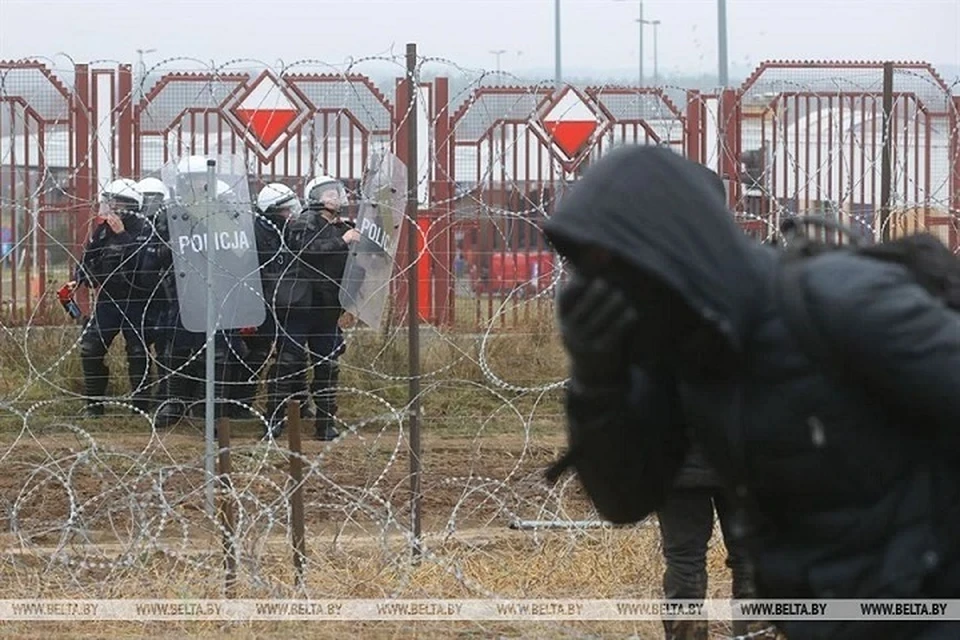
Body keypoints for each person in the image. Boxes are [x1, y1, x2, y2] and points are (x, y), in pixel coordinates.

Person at [542, 144, 960, 640]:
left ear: (671, 248)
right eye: (585, 271)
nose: (599, 289)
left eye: (612, 266)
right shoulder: (676, 352)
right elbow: (624, 499)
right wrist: (598, 380)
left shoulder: (837, 300)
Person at [269, 174, 359, 441]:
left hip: (328, 308)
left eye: (337, 192)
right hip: (301, 306)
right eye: (329, 193)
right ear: (315, 199)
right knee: (288, 363)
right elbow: (305, 248)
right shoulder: (304, 221)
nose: (336, 197)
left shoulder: (342, 226)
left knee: (327, 366)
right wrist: (344, 240)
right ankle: (274, 420)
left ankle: (325, 423)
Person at [73, 178, 153, 416]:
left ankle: (140, 408)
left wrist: (121, 236)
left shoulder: (143, 229)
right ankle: (94, 406)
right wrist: (82, 275)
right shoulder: (102, 231)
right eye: (110, 203)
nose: (111, 209)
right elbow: (87, 259)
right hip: (109, 300)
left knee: (138, 352)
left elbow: (144, 265)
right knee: (90, 348)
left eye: (117, 204)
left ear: (130, 206)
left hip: (136, 301)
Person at [136, 176, 173, 410]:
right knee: (138, 348)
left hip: (163, 296)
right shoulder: (132, 228)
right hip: (138, 297)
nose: (151, 204)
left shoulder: (167, 227)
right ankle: (141, 397)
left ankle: (165, 395)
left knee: (165, 348)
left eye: (155, 199)